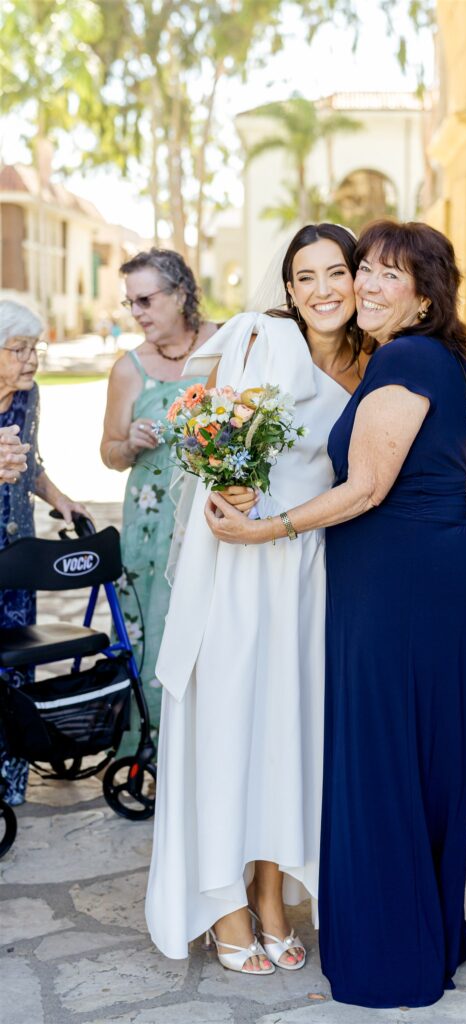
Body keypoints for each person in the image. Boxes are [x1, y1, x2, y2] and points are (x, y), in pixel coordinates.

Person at [204, 220, 466, 1008]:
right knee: (416, 761)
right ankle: (427, 932)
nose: (363, 285)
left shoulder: (403, 357)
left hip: (406, 587)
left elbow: (365, 487)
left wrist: (263, 529)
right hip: (419, 579)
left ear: (425, 293)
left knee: (386, 762)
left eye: (384, 276)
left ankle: (395, 952)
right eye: (361, 269)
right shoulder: (429, 355)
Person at [146, 223, 370, 974]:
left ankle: (272, 895)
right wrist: (227, 483)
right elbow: (216, 446)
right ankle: (224, 901)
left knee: (288, 732)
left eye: (334, 272)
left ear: (357, 276)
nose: (321, 291)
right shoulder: (260, 341)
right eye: (303, 278)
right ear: (287, 290)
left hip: (310, 568)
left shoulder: (377, 363)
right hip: (243, 564)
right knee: (230, 726)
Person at [100, 249, 221, 751]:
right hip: (149, 532)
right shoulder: (128, 369)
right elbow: (108, 452)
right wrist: (130, 443)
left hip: (214, 522)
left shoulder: (228, 346)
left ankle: (207, 747)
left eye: (146, 299)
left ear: (181, 294)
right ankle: (144, 747)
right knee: (149, 626)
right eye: (131, 303)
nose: (138, 313)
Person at [0, 300, 88, 805]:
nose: (31, 359)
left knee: (15, 661)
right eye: (19, 349)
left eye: (36, 348)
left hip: (17, 553)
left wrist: (61, 500)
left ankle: (11, 775)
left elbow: (30, 464)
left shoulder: (28, 399)